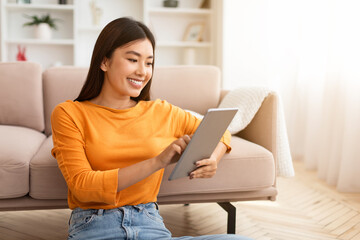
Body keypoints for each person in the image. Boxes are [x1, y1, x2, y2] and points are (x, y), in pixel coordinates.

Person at [51, 17, 252, 240]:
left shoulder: (161, 111)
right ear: (104, 61)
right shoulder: (69, 113)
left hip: (149, 223)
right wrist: (157, 161)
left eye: (149, 63)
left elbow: (219, 130)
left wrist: (213, 157)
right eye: (133, 60)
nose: (143, 71)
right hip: (94, 226)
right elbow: (82, 186)